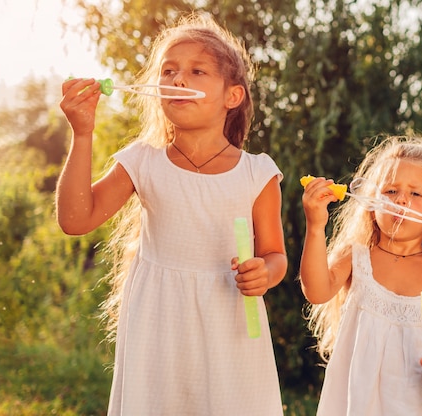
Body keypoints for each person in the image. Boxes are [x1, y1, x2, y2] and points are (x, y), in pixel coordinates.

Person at [56, 13, 287, 416]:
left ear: (232, 97)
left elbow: (276, 255)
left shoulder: (257, 173)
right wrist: (83, 133)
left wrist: (264, 273)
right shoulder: (142, 161)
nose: (178, 80)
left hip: (229, 327)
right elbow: (75, 219)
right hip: (157, 323)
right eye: (168, 71)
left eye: (197, 71)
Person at [300, 134, 422, 415]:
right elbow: (316, 291)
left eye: (415, 194)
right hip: (357, 403)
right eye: (391, 191)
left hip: (417, 405)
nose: (401, 200)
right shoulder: (357, 256)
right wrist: (316, 226)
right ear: (371, 202)